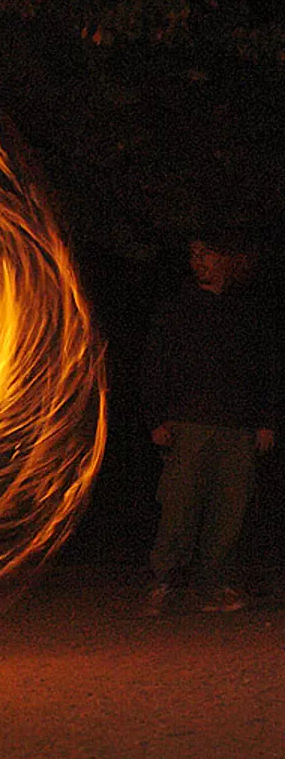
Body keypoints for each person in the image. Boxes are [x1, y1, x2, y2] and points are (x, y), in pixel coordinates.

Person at [140, 231, 279, 615]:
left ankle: (213, 584)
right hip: (188, 424)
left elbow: (267, 368)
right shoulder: (176, 308)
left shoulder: (246, 312)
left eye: (206, 254)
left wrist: (266, 420)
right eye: (194, 254)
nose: (198, 261)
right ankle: (164, 582)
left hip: (237, 426)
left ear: (225, 259)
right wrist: (156, 418)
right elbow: (154, 365)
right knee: (178, 506)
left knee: (230, 509)